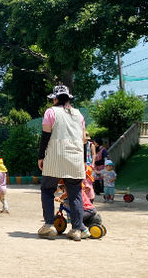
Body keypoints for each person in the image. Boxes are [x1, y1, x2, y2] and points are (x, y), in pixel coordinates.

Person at [37, 84, 87, 241]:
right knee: (75, 193)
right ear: (68, 99)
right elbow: (84, 139)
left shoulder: (51, 112)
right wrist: (83, 161)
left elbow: (45, 136)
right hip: (76, 157)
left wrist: (41, 156)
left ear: (56, 99)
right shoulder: (79, 115)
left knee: (47, 189)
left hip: (55, 156)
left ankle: (49, 226)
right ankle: (78, 229)